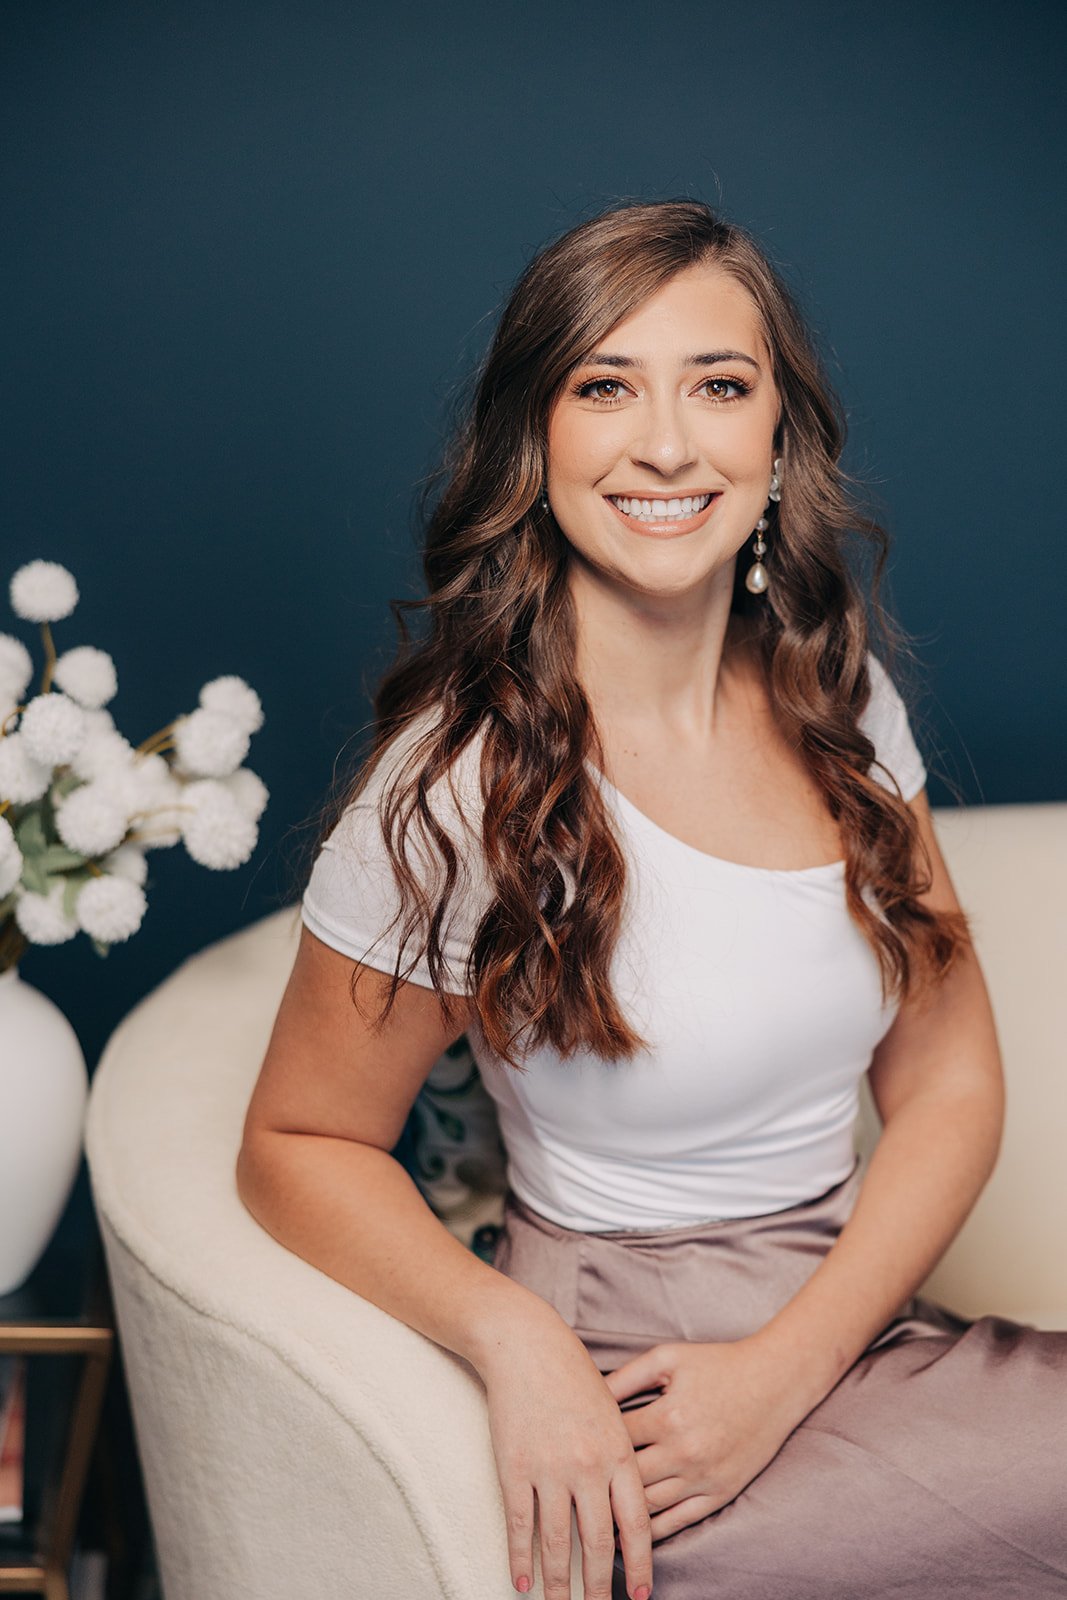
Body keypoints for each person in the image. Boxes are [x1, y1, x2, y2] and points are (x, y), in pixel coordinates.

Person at [236, 198, 1067, 1600]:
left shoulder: (838, 697)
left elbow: (951, 1078)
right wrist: (515, 1340)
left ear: (780, 441)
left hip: (851, 1329)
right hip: (645, 1390)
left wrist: (792, 1365)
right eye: (605, 387)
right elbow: (295, 1141)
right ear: (534, 441)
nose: (669, 445)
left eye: (720, 387)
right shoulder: (458, 781)